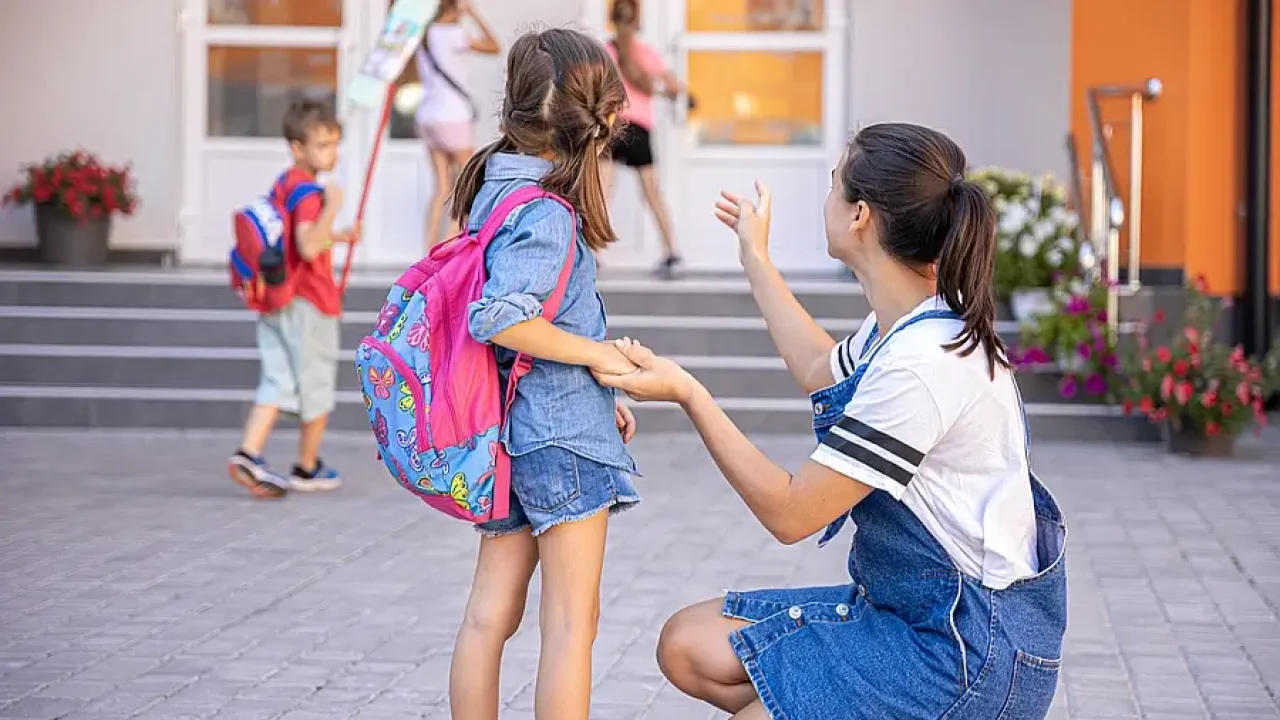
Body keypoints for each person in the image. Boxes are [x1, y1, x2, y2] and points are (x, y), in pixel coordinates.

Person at [594, 123, 1068, 719]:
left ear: (860, 216)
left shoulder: (925, 364)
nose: (825, 200)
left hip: (965, 652)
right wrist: (755, 257)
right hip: (905, 615)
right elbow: (820, 367)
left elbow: (791, 514)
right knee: (690, 646)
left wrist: (690, 394)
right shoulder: (906, 324)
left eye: (832, 185)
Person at [447, 28, 643, 720]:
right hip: (559, 437)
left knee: (487, 619)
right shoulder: (550, 213)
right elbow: (501, 318)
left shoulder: (492, 185)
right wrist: (599, 359)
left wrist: (601, 391)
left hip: (510, 432)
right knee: (571, 628)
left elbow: (539, 316)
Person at [228, 100, 361, 498]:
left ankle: (249, 451)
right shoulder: (310, 192)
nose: (331, 153)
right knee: (316, 383)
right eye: (322, 145)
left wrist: (339, 236)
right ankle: (307, 465)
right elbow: (306, 244)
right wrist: (332, 208)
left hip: (278, 296)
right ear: (297, 147)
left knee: (278, 377)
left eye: (335, 144)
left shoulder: (286, 182)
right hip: (310, 302)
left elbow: (294, 237)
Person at [603, 0, 685, 277]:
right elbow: (675, 86)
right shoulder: (645, 53)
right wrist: (660, 90)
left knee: (601, 194)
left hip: (613, 127)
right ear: (638, 21)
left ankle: (589, 254)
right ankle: (671, 251)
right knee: (652, 193)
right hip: (639, 129)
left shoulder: (606, 52)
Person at [415, 0, 500, 249]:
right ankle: (447, 244)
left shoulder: (425, 34)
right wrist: (474, 14)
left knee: (441, 186)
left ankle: (428, 247)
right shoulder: (456, 34)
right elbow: (494, 46)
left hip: (428, 115)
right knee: (470, 182)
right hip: (453, 116)